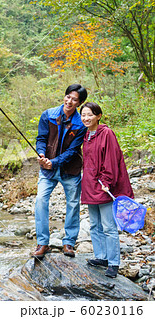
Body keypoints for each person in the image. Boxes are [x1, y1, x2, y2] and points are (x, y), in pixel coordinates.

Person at [31, 84, 88, 259]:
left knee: (72, 204)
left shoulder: (81, 124)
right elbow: (41, 139)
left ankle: (69, 242)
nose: (69, 101)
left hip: (70, 170)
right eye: (68, 97)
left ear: (80, 103)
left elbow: (72, 151)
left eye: (74, 99)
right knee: (41, 201)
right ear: (64, 96)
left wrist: (53, 162)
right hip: (47, 170)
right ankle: (43, 243)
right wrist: (41, 154)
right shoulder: (48, 115)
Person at [80, 102, 134, 278]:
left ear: (98, 116)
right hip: (89, 185)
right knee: (94, 224)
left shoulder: (107, 134)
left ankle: (113, 262)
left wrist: (106, 181)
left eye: (89, 115)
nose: (86, 118)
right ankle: (101, 256)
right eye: (83, 115)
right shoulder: (87, 135)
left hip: (103, 186)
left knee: (109, 227)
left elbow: (111, 160)